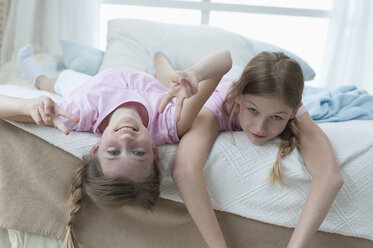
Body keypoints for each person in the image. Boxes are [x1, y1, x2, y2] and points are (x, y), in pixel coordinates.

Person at [0, 44, 232, 248]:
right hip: (151, 86)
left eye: (113, 152)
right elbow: (225, 60)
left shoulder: (75, 113)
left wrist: (27, 105)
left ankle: (37, 77)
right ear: (154, 151)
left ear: (95, 149)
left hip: (93, 83)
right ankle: (159, 55)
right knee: (170, 77)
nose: (126, 140)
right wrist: (195, 74)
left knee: (61, 80)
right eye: (138, 152)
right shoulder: (171, 121)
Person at [152, 50, 344, 248]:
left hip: (244, 81)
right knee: (169, 78)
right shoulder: (217, 106)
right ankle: (160, 57)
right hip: (223, 79)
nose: (260, 127)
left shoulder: (292, 107)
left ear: (294, 112)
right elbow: (184, 171)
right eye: (252, 111)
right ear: (238, 98)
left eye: (277, 117)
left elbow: (330, 177)